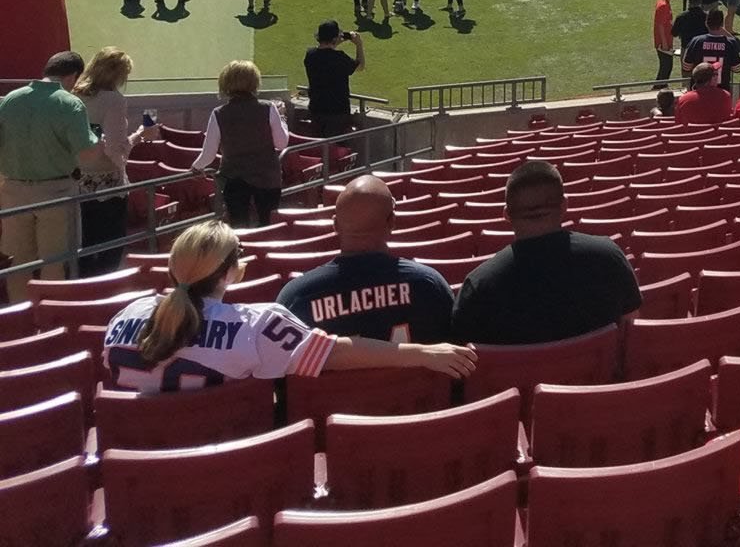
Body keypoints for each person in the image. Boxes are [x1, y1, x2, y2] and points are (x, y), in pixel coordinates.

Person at [103, 219, 473, 393]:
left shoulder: (123, 317)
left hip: (138, 472)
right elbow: (336, 352)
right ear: (234, 271)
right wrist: (423, 352)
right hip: (228, 462)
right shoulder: (257, 324)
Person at [451, 161, 641, 344]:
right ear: (565, 205)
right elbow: (631, 328)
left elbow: (463, 361)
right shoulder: (609, 257)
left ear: (506, 215)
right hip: (601, 377)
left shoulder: (478, 286)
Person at [279, 176, 454, 342]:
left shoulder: (297, 297)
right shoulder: (429, 285)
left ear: (335, 225)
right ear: (392, 222)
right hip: (417, 375)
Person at [0, 51, 97, 297]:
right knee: (55, 261)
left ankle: (19, 318)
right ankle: (52, 317)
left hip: (13, 190)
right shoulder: (70, 103)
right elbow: (87, 154)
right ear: (74, 76)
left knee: (17, 261)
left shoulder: (10, 99)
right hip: (56, 192)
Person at [76, 48, 151, 276]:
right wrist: (139, 135)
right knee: (111, 246)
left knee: (85, 244)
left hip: (78, 182)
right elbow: (115, 148)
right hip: (107, 185)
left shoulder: (74, 95)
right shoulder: (113, 100)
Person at [192, 60, 288, 227]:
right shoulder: (268, 108)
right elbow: (281, 144)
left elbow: (208, 153)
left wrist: (196, 167)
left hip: (234, 179)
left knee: (238, 228)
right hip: (267, 178)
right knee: (269, 226)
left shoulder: (219, 113)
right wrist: (283, 120)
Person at [304, 21, 365, 138]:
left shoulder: (310, 55)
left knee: (317, 145)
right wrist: (359, 44)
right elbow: (360, 66)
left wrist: (334, 43)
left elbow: (325, 53)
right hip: (337, 112)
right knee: (334, 147)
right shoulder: (340, 58)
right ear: (335, 38)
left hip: (316, 109)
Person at [651, 0, 683, 84]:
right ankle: (658, 87)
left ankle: (660, 86)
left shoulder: (663, 1)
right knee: (666, 66)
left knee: (666, 66)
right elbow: (660, 25)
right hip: (663, 42)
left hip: (665, 39)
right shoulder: (663, 6)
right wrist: (664, 43)